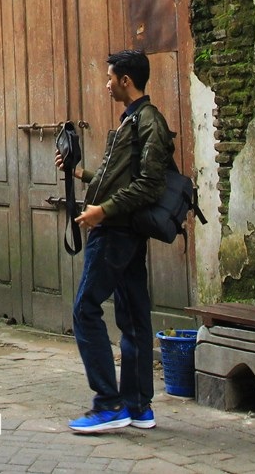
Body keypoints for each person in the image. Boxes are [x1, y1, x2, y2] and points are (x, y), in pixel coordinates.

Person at [55, 49, 175, 434]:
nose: (106, 84)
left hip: (116, 233)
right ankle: (139, 407)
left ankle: (108, 404)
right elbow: (119, 178)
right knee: (134, 318)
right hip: (120, 230)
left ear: (126, 80)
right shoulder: (133, 120)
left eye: (110, 78)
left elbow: (150, 185)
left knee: (86, 310)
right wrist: (80, 173)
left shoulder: (148, 122)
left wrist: (102, 212)